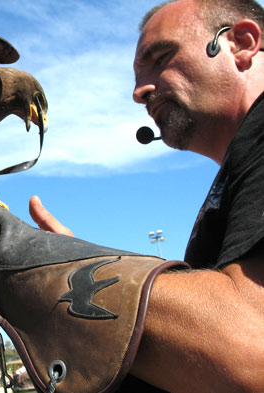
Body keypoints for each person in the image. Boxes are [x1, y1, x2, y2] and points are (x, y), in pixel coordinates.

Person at [27, 0, 264, 391]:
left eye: (160, 58)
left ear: (241, 42)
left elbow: (250, 348)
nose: (140, 92)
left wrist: (67, 272)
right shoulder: (238, 171)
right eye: (138, 77)